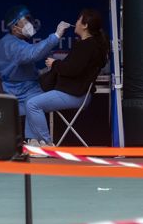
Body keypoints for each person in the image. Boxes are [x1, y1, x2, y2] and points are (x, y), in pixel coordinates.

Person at [24, 8, 109, 145]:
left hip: (75, 94)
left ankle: (46, 143)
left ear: (85, 25)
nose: (75, 22)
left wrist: (54, 63)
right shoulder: (90, 45)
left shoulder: (87, 46)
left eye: (78, 19)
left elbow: (71, 70)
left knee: (32, 104)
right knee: (30, 98)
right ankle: (33, 141)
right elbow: (74, 67)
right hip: (75, 92)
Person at [0, 5, 71, 113]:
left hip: (25, 89)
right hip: (22, 95)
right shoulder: (10, 45)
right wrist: (56, 36)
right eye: (26, 21)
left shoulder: (13, 41)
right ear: (14, 26)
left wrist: (41, 72)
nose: (29, 24)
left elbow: (23, 66)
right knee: (62, 97)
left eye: (30, 20)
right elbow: (32, 54)